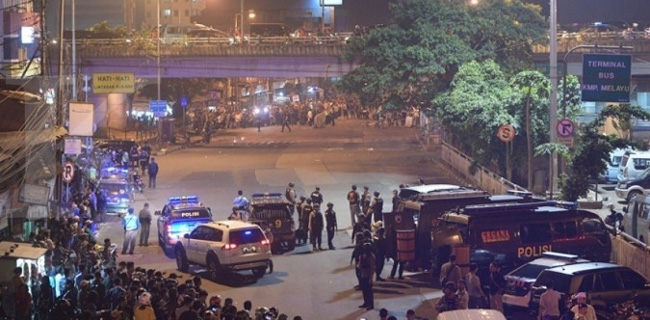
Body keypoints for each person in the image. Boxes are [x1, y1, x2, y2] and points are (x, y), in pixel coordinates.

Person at [357, 242, 375, 310]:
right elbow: (360, 265)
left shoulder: (371, 257)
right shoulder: (363, 255)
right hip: (362, 274)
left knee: (369, 291)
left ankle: (371, 304)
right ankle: (366, 302)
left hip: (368, 275)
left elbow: (372, 268)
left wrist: (371, 278)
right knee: (364, 290)